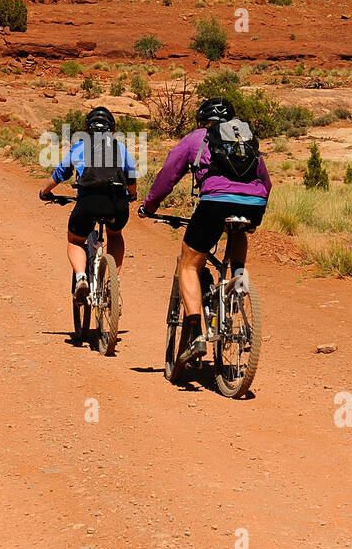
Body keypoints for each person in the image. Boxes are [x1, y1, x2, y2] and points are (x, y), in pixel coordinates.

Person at [139, 97, 271, 361]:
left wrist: (150, 205)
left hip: (214, 204)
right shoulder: (244, 139)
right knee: (238, 230)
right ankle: (238, 279)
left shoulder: (197, 138)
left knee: (189, 264)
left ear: (203, 121)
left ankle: (195, 334)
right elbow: (266, 181)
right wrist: (255, 208)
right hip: (255, 204)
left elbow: (169, 174)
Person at [39, 106, 137, 301]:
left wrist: (45, 192)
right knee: (115, 235)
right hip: (117, 203)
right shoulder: (119, 147)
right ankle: (112, 282)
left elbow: (61, 173)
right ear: (111, 129)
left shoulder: (80, 147)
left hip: (88, 202)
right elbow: (131, 176)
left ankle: (81, 276)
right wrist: (132, 195)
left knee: (75, 240)